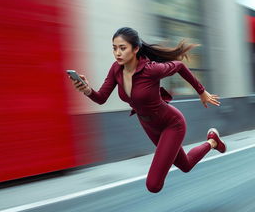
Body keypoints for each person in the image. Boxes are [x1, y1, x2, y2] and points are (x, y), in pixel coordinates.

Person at [69, 27, 226, 193]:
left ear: (135, 49)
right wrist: (86, 89)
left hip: (172, 123)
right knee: (185, 165)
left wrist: (201, 92)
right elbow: (101, 98)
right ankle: (212, 141)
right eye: (114, 48)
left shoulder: (151, 70)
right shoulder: (116, 70)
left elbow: (179, 66)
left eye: (123, 48)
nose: (117, 53)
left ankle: (212, 141)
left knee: (153, 185)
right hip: (149, 127)